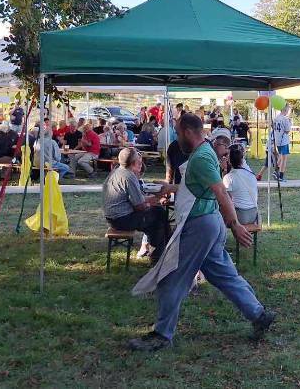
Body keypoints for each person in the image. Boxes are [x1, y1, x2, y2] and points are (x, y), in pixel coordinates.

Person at [129, 114, 274, 351]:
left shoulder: (201, 158)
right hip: (209, 223)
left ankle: (161, 335)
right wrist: (171, 188)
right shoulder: (203, 153)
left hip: (200, 226)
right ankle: (259, 315)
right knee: (225, 276)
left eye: (177, 131)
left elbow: (221, 192)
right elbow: (200, 187)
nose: (175, 136)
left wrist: (235, 225)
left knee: (170, 278)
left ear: (187, 131)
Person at [103, 148, 174, 264]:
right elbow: (139, 206)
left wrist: (151, 201)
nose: (141, 163)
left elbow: (133, 200)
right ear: (133, 163)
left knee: (156, 219)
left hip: (112, 217)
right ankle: (161, 255)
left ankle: (161, 251)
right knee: (160, 215)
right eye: (139, 161)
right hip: (121, 220)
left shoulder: (116, 171)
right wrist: (155, 200)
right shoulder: (129, 176)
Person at [223, 144, 259, 224]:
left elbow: (226, 200)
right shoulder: (250, 173)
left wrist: (224, 171)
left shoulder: (229, 177)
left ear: (229, 160)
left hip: (240, 215)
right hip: (254, 214)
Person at [272, 105, 292, 181]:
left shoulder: (276, 118)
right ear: (285, 110)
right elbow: (287, 130)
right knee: (284, 158)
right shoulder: (285, 119)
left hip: (277, 139)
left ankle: (275, 171)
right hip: (283, 140)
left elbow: (273, 126)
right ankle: (280, 176)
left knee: (281, 156)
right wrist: (289, 123)